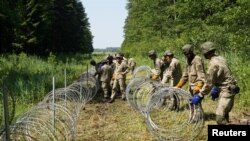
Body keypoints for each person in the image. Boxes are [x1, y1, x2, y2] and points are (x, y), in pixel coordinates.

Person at [191, 41, 240, 125]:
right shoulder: (221, 58)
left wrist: (200, 95)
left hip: (226, 91)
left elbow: (209, 82)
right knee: (224, 114)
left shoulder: (213, 64)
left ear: (206, 53)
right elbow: (224, 74)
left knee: (219, 118)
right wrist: (217, 87)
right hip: (229, 88)